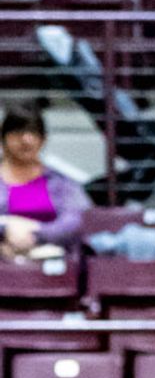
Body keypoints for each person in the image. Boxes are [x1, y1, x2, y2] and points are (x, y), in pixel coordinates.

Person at [0, 101, 91, 260]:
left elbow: (75, 221)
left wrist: (36, 232)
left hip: (54, 265)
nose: (26, 139)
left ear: (43, 139)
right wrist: (6, 228)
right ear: (3, 137)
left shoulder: (61, 182)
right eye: (18, 131)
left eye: (33, 132)